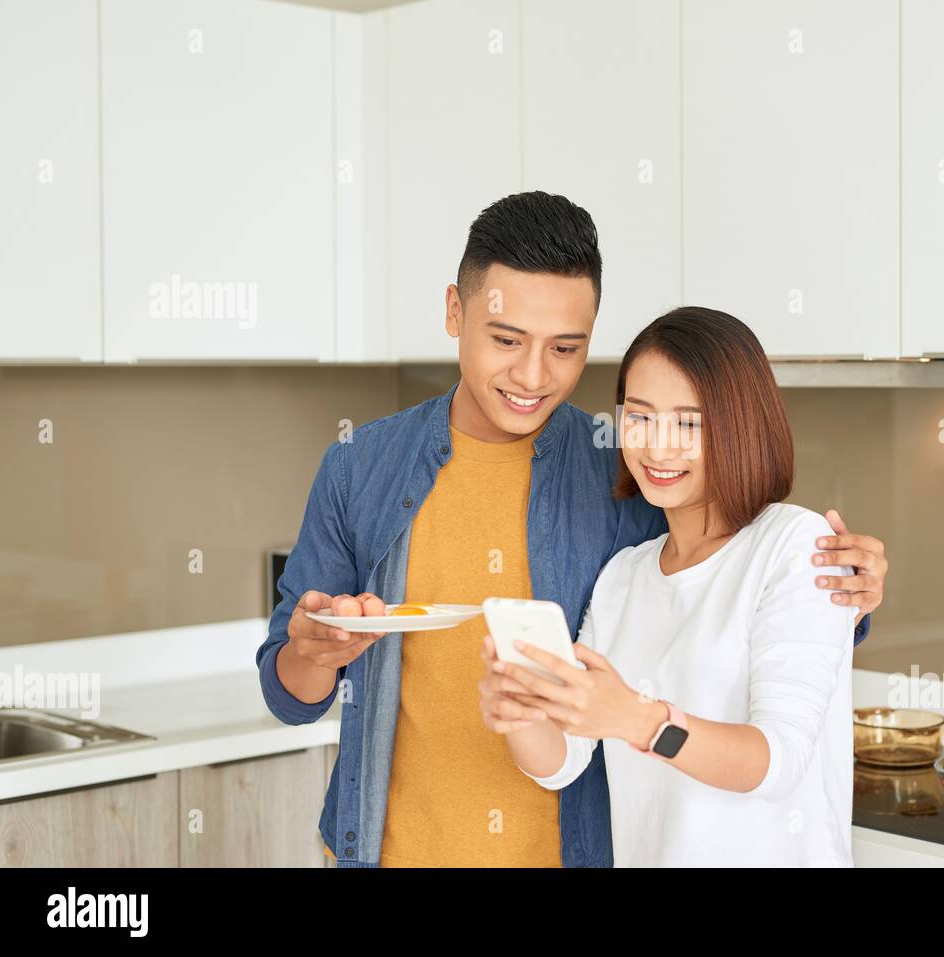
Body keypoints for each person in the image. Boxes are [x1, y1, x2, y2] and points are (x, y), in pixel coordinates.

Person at [255, 191, 888, 867]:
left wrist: (846, 591)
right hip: (389, 850)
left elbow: (723, 564)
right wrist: (315, 653)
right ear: (454, 311)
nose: (532, 374)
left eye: (565, 347)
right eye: (506, 340)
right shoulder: (361, 467)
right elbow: (286, 693)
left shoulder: (617, 466)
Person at [484, 307, 857, 866]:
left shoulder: (793, 545)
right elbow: (564, 760)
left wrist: (637, 719)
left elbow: (777, 762)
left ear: (741, 426)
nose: (658, 449)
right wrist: (521, 711)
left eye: (689, 423)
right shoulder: (623, 577)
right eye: (639, 417)